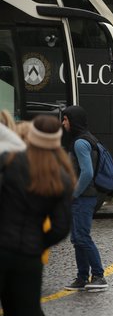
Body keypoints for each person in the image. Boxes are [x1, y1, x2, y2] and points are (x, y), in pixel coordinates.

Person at [0, 115, 75, 315]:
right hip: (29, 255)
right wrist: (37, 242)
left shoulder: (10, 161)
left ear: (31, 137)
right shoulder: (62, 176)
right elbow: (61, 227)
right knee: (26, 309)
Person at [61, 105, 108, 292]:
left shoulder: (80, 143)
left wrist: (74, 194)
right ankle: (82, 277)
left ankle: (98, 276)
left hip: (83, 198)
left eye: (65, 119)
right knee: (77, 238)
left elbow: (87, 172)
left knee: (82, 237)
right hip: (85, 197)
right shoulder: (86, 139)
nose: (63, 122)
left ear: (74, 121)